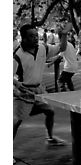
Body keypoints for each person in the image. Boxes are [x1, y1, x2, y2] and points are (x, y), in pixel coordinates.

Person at [13, 23, 71, 154]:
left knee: (50, 111)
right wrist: (17, 85)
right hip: (23, 93)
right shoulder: (17, 55)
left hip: (39, 91)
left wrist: (65, 34)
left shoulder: (43, 48)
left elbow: (62, 47)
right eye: (31, 36)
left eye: (36, 35)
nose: (35, 38)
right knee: (15, 121)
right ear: (24, 38)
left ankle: (49, 138)